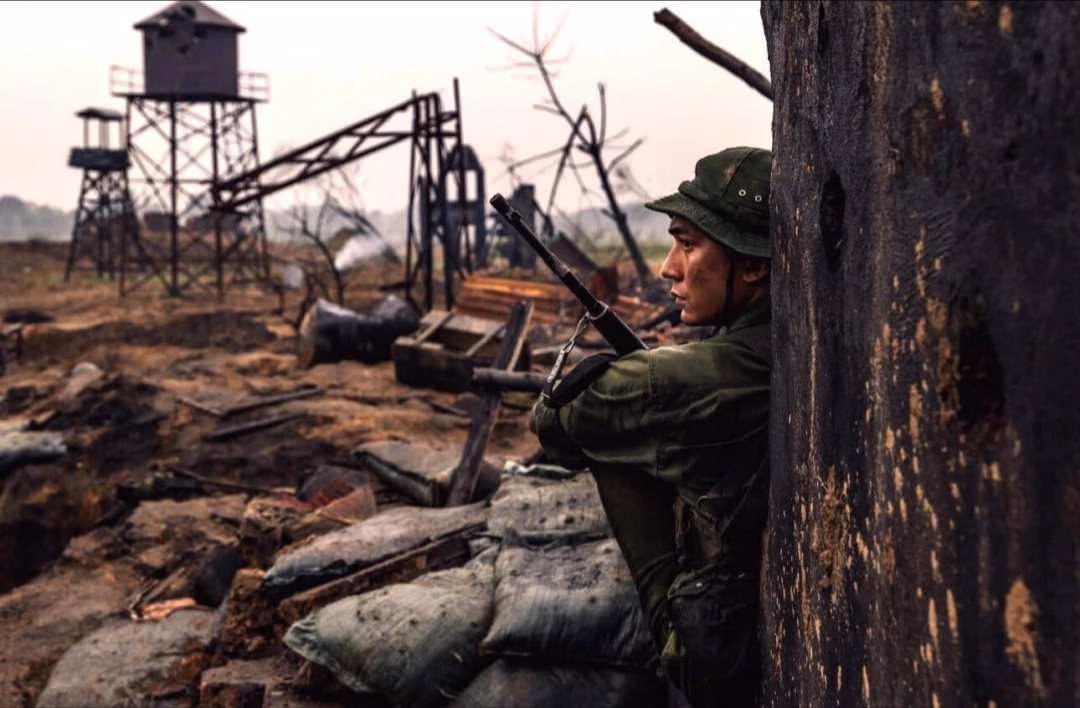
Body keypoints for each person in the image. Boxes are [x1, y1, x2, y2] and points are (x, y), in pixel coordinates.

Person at [530, 146, 773, 708]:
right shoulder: (767, 340)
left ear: (754, 266)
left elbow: (555, 422)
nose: (668, 267)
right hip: (735, 627)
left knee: (608, 437)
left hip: (709, 649)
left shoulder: (716, 372)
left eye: (688, 244)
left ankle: (664, 626)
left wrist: (644, 379)